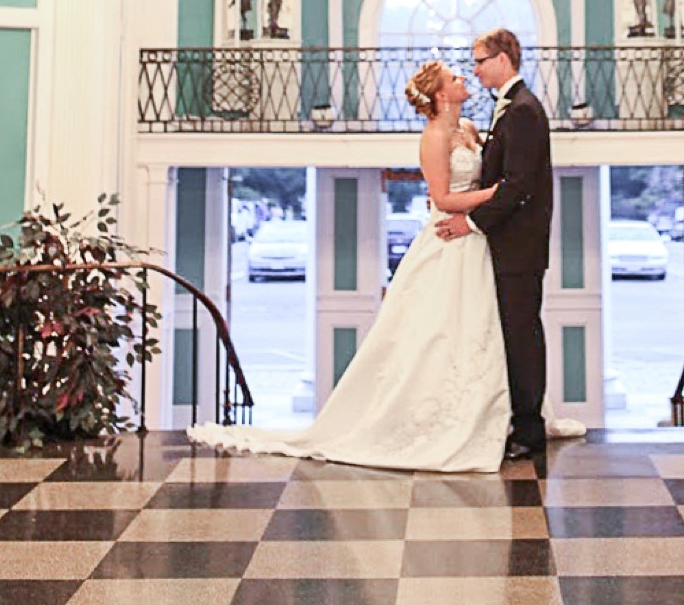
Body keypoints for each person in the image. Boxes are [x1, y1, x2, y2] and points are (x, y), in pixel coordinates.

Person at [186, 61, 512, 470]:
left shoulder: (467, 129)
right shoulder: (433, 136)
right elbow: (443, 199)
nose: (464, 79)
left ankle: (482, 412)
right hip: (448, 235)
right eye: (455, 78)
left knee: (473, 326)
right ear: (441, 94)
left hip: (473, 240)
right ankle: (425, 420)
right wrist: (497, 194)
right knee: (436, 329)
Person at [435, 27, 553, 460]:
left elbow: (519, 184)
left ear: (502, 60)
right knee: (512, 333)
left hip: (518, 246)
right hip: (509, 244)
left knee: (522, 335)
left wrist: (473, 222)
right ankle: (516, 421)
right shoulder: (512, 109)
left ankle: (529, 430)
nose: (475, 70)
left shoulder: (523, 109)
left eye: (479, 61)